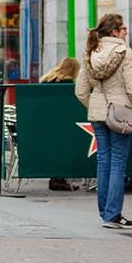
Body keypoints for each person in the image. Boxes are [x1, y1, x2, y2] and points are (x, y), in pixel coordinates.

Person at [74, 13, 132, 230]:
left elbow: (80, 91)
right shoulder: (125, 52)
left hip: (98, 112)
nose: (125, 32)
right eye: (122, 28)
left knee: (103, 161)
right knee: (118, 162)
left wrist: (95, 106)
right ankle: (113, 214)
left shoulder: (89, 52)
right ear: (114, 31)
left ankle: (106, 212)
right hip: (121, 111)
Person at [39, 57, 82, 192]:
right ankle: (59, 179)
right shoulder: (67, 83)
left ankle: (57, 178)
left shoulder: (46, 80)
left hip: (43, 125)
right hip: (61, 125)